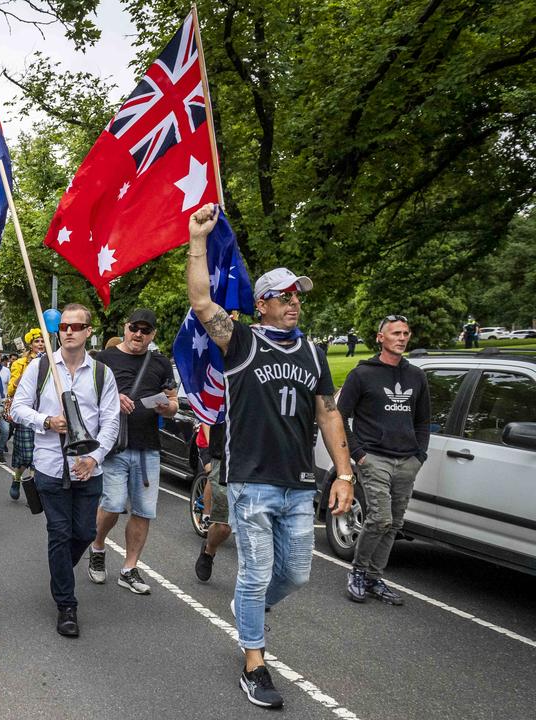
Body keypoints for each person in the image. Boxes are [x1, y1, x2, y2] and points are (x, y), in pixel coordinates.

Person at [187, 203, 354, 709]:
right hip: (251, 480)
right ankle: (255, 663)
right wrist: (198, 240)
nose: (294, 303)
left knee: (296, 574)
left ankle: (247, 611)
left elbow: (327, 414)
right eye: (283, 296)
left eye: (297, 295)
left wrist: (342, 473)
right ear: (261, 304)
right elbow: (200, 301)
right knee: (257, 571)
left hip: (299, 483)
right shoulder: (239, 341)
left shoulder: (314, 354)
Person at [10, 305, 118, 638]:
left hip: (87, 469)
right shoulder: (40, 368)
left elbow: (111, 420)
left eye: (76, 326)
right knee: (59, 532)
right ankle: (66, 605)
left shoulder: (101, 374)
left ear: (88, 331)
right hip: (50, 467)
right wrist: (45, 420)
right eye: (64, 326)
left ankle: (61, 572)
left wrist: (95, 458)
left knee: (85, 533)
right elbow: (17, 407)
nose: (69, 331)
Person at [338, 315, 429, 605]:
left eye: (405, 333)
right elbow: (339, 417)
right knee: (380, 518)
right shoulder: (362, 374)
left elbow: (423, 420)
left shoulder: (416, 376)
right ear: (380, 338)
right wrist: (359, 455)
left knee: (395, 522)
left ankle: (376, 577)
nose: (401, 338)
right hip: (374, 458)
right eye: (395, 333)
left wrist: (419, 455)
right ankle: (358, 572)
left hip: (407, 460)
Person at [88, 309, 179, 594]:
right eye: (134, 328)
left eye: (145, 330)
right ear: (125, 328)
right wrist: (115, 398)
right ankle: (98, 546)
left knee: (143, 511)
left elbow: (174, 403)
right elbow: (86, 395)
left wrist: (168, 406)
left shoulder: (161, 363)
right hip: (113, 445)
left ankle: (129, 568)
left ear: (152, 335)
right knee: (113, 503)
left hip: (148, 446)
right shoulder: (104, 359)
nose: (139, 334)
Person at [5, 329, 46, 499]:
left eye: (43, 341)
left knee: (39, 456)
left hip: (43, 411)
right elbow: (12, 388)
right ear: (30, 344)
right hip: (25, 411)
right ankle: (16, 478)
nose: (40, 345)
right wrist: (30, 367)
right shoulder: (20, 363)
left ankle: (33, 494)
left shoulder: (51, 361)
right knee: (27, 455)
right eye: (37, 341)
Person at [193, 423, 232, 582]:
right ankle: (209, 549)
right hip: (221, 456)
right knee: (223, 528)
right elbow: (207, 420)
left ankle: (256, 592)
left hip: (253, 463)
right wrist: (209, 453)